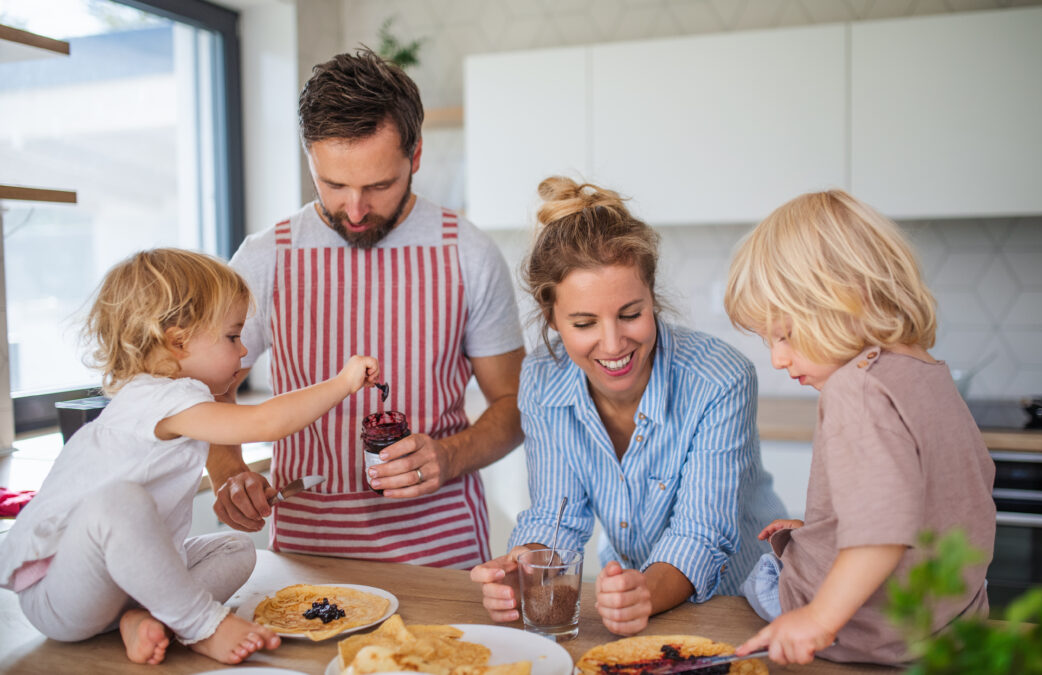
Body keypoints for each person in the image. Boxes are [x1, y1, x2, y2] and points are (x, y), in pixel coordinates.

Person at [208, 48, 524, 568]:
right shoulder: (266, 258)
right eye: (333, 184)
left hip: (443, 554)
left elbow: (513, 406)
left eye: (379, 186)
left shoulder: (468, 253)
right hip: (306, 556)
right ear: (310, 156)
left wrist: (448, 456)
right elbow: (213, 387)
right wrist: (228, 470)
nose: (355, 210)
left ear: (415, 156)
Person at [0, 249, 382, 665]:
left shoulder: (174, 398)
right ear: (177, 341)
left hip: (119, 587)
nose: (243, 351)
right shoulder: (159, 397)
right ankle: (202, 624)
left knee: (236, 548)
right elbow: (263, 422)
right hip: (61, 598)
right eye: (233, 337)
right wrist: (343, 382)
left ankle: (147, 618)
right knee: (119, 501)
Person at [470, 177, 787, 636]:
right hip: (633, 604)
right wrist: (524, 572)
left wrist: (644, 594)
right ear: (551, 317)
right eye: (583, 323)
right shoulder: (542, 376)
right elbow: (556, 517)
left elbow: (701, 535)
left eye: (631, 314)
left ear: (652, 298)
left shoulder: (721, 379)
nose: (614, 343)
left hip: (742, 606)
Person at [724, 190, 997, 666]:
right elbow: (931, 505)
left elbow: (882, 531)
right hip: (948, 628)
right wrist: (824, 531)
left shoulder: (856, 387)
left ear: (850, 297)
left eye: (785, 334)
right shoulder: (932, 376)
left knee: (753, 573)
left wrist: (818, 620)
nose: (778, 358)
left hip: (864, 634)